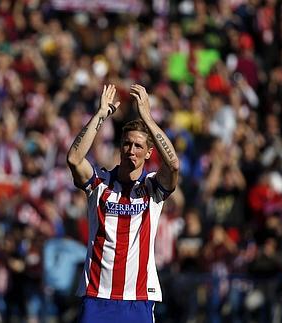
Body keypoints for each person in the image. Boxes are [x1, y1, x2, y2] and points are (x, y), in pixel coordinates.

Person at [66, 84, 180, 323]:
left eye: (139, 146)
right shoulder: (100, 183)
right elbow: (74, 158)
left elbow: (173, 165)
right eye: (127, 143)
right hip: (97, 296)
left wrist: (147, 117)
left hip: (137, 300)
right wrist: (99, 115)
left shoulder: (152, 188)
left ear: (149, 153)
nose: (131, 150)